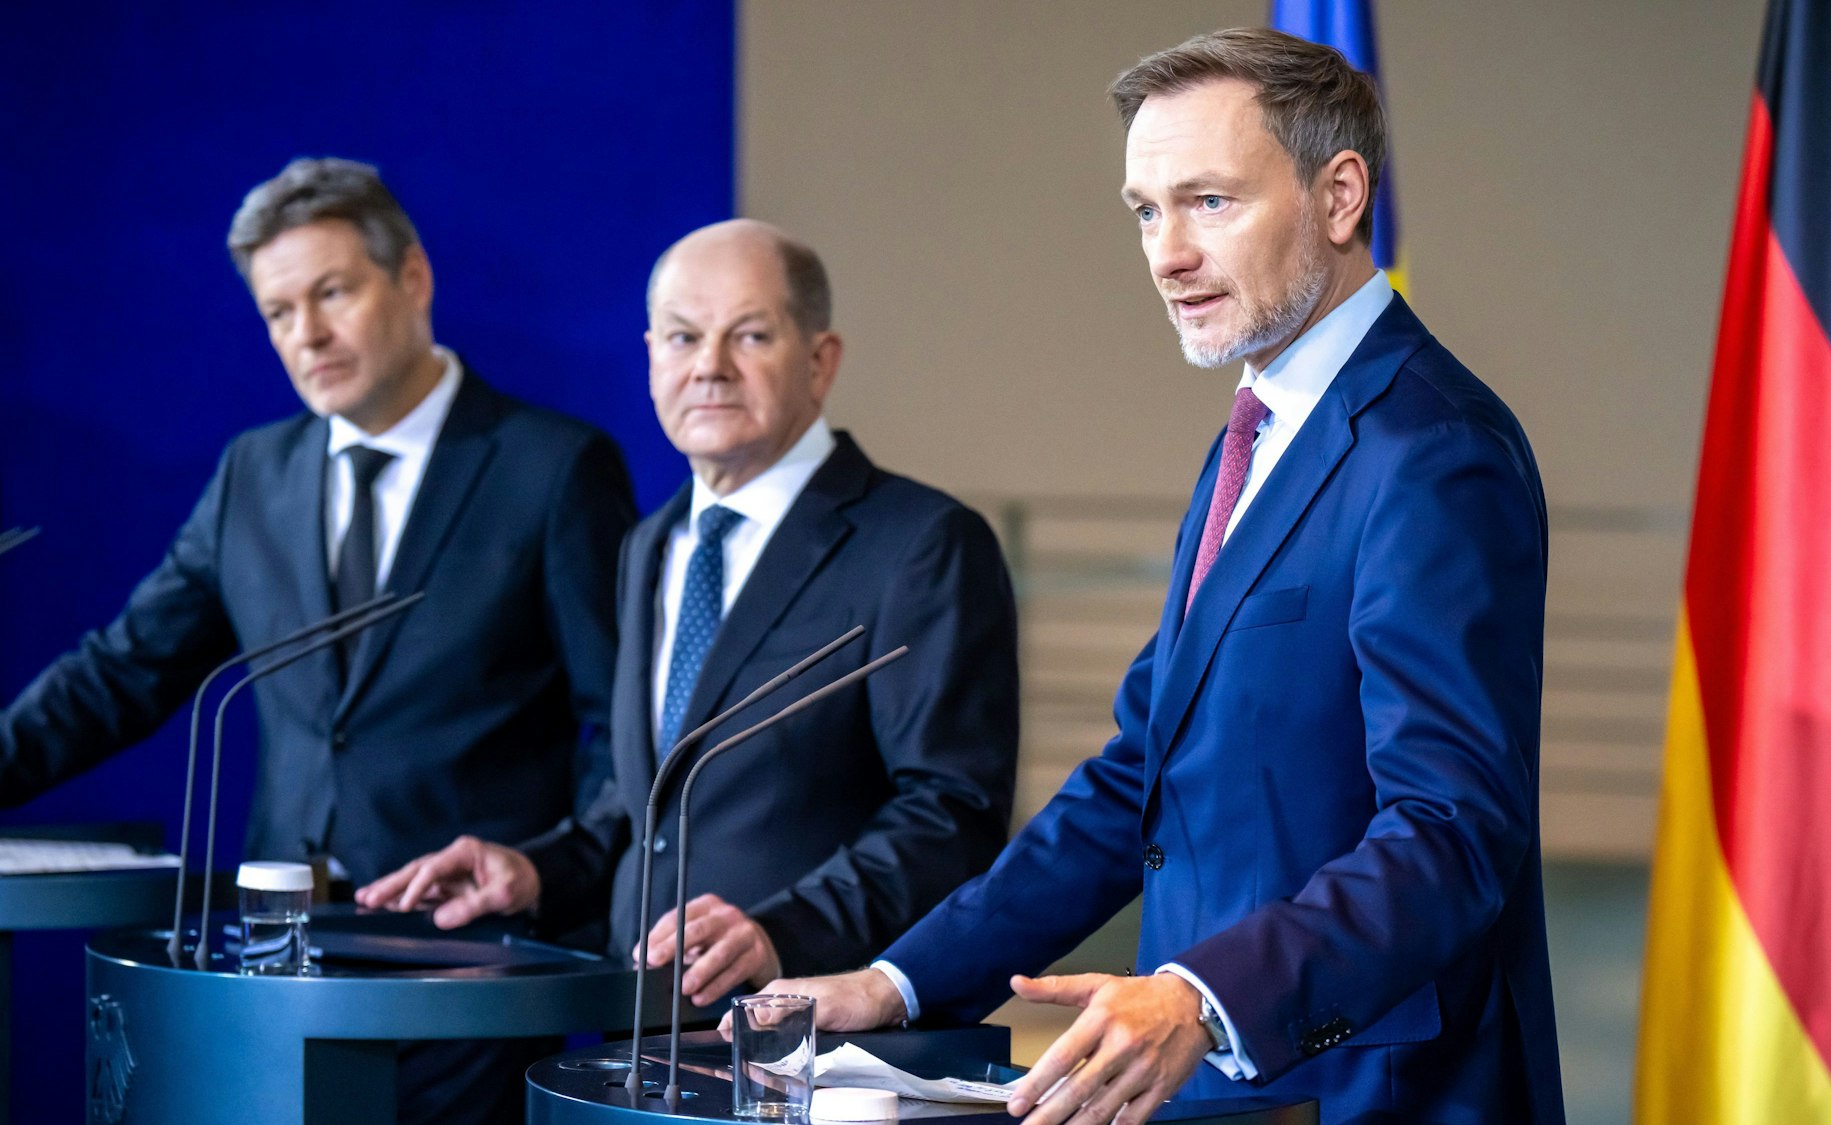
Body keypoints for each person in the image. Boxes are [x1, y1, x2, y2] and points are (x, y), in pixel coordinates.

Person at [752, 29, 1565, 1125]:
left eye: (1208, 202)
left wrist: (1204, 993)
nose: (1165, 253)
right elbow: (1137, 781)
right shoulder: (1254, 433)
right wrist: (893, 981)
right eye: (1144, 210)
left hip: (1367, 1090)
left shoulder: (1432, 451)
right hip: (1202, 1088)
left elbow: (1451, 829)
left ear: (1337, 196)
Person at [0, 157, 636, 1124]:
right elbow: (123, 669)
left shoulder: (553, 467)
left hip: (465, 969)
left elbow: (621, 726)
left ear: (412, 276)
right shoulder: (256, 470)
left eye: (332, 292)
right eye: (278, 311)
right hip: (272, 975)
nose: (308, 335)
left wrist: (546, 868)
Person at [359, 219, 1019, 1011]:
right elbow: (652, 802)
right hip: (641, 1037)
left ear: (819, 360)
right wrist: (538, 870)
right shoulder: (651, 543)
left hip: (814, 1039)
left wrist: (783, 930)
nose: (709, 366)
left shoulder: (921, 543)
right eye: (681, 338)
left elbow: (952, 812)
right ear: (650, 358)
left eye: (749, 335)